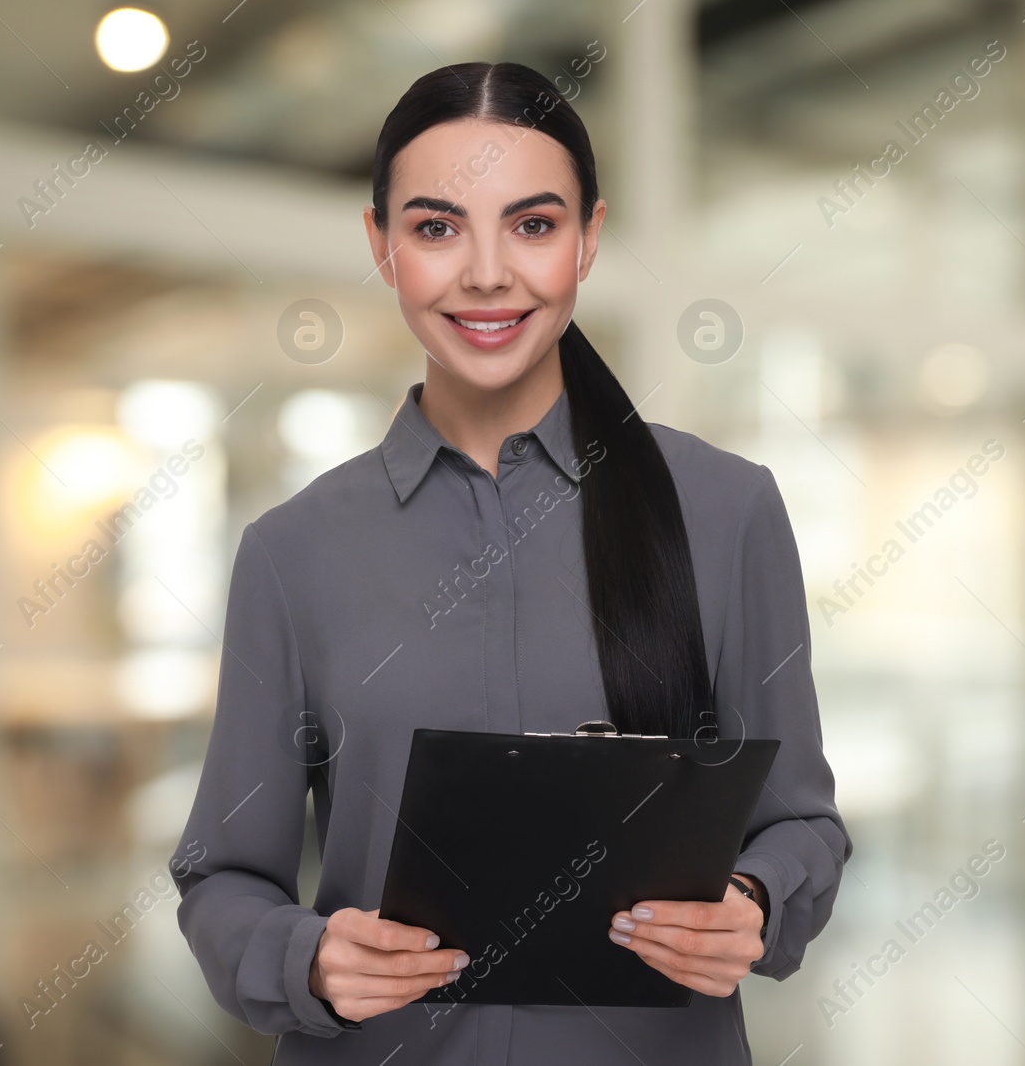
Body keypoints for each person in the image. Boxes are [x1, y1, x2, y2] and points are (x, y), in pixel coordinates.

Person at [170, 60, 850, 1065]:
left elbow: (803, 825)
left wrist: (753, 900)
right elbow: (223, 876)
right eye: (436, 227)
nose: (486, 272)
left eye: (532, 224)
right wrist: (304, 956)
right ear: (382, 247)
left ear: (587, 240)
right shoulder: (291, 551)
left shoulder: (726, 509)